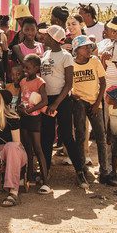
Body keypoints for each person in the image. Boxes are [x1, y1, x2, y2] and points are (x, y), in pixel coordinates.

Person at [39, 25, 90, 187]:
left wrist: (55, 103)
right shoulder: (45, 54)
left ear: (53, 38)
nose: (43, 37)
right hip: (47, 100)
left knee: (67, 136)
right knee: (46, 137)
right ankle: (45, 171)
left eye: (46, 35)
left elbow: (68, 84)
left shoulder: (66, 56)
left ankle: (80, 171)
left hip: (62, 101)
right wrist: (47, 101)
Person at [69, 35, 116, 185]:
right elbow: (68, 83)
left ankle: (104, 172)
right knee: (81, 135)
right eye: (85, 47)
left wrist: (97, 103)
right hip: (79, 103)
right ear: (77, 50)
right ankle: (81, 170)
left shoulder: (95, 61)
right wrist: (73, 95)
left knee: (101, 137)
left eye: (90, 47)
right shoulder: (71, 64)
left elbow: (103, 83)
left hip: (95, 102)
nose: (89, 49)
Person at [17, 54, 51, 194]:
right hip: (24, 118)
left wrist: (30, 110)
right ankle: (28, 177)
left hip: (34, 119)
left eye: (28, 68)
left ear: (36, 68)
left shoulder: (39, 82)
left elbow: (44, 102)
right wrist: (20, 107)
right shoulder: (23, 81)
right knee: (26, 148)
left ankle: (46, 182)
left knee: (37, 148)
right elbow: (21, 98)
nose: (25, 70)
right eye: (24, 67)